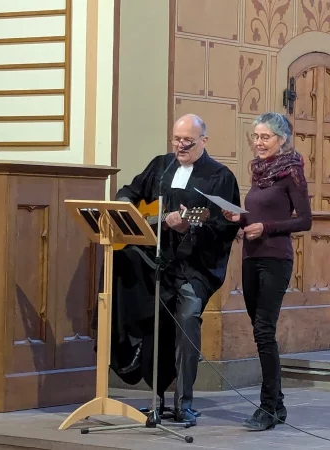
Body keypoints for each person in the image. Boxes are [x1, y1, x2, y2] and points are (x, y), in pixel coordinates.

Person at [107, 114, 241, 426]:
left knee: (187, 322)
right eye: (176, 139)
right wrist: (127, 206)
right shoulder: (162, 165)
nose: (180, 146)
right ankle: (157, 401)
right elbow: (129, 190)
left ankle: (185, 403)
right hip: (157, 265)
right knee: (156, 328)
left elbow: (224, 227)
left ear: (204, 141)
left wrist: (187, 229)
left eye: (188, 142)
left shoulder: (220, 176)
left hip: (195, 268)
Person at [223, 112, 312, 431]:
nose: (259, 143)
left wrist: (267, 227)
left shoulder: (292, 172)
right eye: (256, 137)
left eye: (266, 137)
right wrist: (240, 220)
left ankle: (268, 407)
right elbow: (256, 216)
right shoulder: (259, 172)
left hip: (275, 258)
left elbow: (304, 220)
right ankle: (277, 405)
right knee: (260, 332)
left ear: (282, 139)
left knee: (264, 331)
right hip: (250, 256)